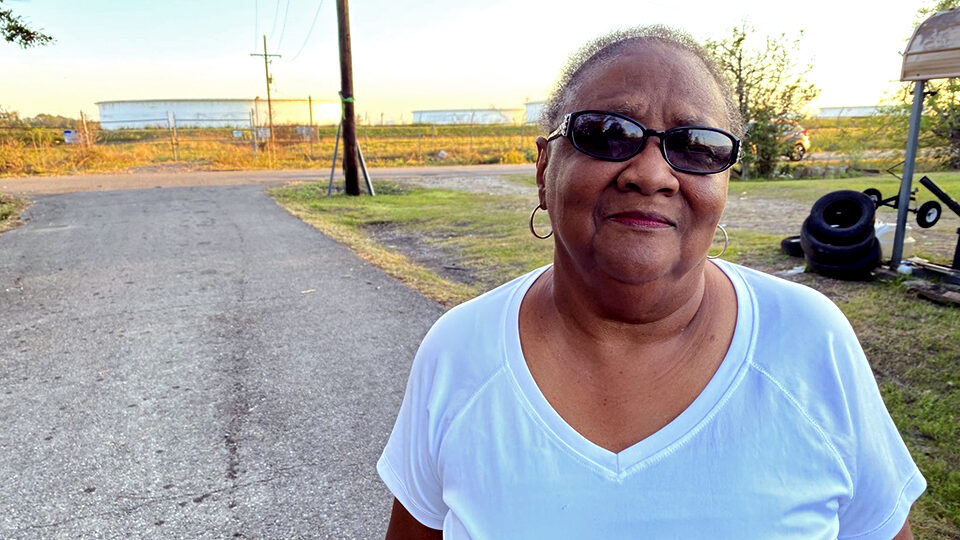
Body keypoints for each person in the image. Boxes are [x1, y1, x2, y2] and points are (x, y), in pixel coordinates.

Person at [377, 26, 926, 539]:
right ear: (545, 168)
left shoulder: (809, 341)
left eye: (696, 146)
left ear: (724, 180)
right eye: (608, 133)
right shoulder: (459, 350)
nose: (652, 173)